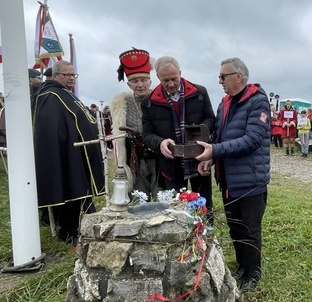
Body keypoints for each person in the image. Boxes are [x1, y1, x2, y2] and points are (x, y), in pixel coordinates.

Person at [195, 57, 270, 292]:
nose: (220, 81)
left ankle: (253, 273)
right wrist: (210, 157)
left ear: (238, 77)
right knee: (235, 227)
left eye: (223, 77)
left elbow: (251, 140)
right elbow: (219, 135)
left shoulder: (258, 102)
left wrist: (215, 150)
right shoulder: (224, 104)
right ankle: (242, 265)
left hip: (250, 179)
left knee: (250, 230)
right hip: (228, 178)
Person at [32, 60, 105, 243]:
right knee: (70, 189)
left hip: (78, 151)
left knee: (79, 187)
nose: (72, 78)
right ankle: (69, 232)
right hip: (66, 153)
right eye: (67, 75)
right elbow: (52, 128)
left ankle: (83, 225)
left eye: (73, 75)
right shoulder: (50, 96)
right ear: (56, 75)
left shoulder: (64, 94)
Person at [141, 56, 215, 216]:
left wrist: (200, 131)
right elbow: (146, 134)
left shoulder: (199, 93)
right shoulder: (149, 102)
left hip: (199, 159)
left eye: (174, 78)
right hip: (170, 164)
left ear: (180, 73)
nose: (171, 84)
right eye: (165, 80)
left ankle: (206, 238)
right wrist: (160, 143)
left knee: (204, 206)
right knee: (175, 210)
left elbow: (210, 119)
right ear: (158, 78)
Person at [111, 48, 162, 200]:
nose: (140, 85)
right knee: (139, 200)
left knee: (162, 198)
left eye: (144, 80)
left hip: (159, 157)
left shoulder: (160, 100)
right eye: (135, 81)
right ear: (129, 84)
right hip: (136, 160)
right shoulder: (123, 104)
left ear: (150, 81)